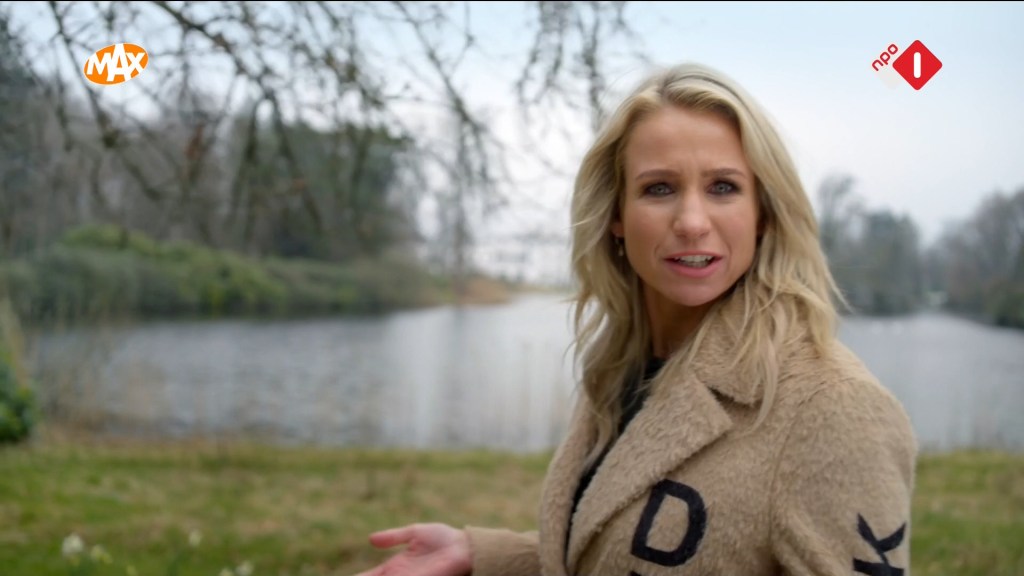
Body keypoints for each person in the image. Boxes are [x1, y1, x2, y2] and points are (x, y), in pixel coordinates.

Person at [354, 62, 917, 576]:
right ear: (616, 216)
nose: (692, 221)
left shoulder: (833, 407)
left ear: (763, 214)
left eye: (723, 188)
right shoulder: (622, 368)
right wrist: (483, 555)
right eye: (659, 188)